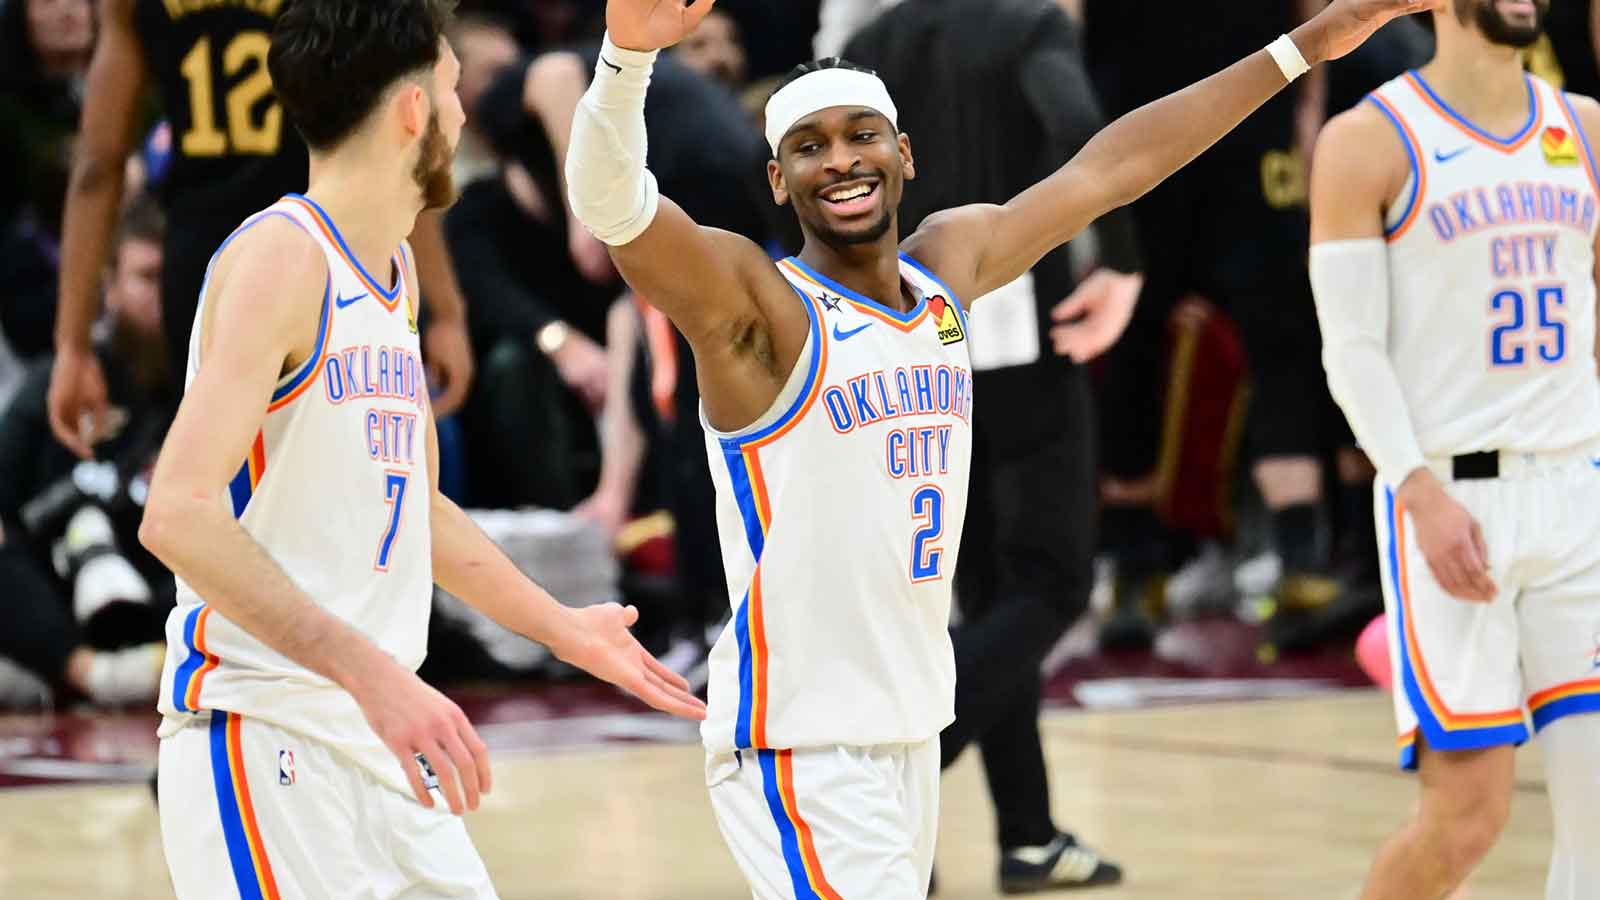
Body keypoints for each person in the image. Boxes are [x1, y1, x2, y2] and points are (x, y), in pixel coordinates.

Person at [566, 0, 1435, 895]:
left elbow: (1117, 166)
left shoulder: (949, 267)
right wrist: (625, 58)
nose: (841, 161)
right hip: (801, 745)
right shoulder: (758, 310)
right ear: (779, 181)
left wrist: (1307, 46)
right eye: (810, 146)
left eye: (861, 135)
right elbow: (613, 205)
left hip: (907, 731)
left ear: (904, 156)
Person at [137, 3, 703, 896]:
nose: (464, 113)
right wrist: (373, 675)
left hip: (382, 742)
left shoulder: (391, 273)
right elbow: (176, 514)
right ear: (412, 112)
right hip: (264, 742)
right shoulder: (284, 259)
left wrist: (565, 629)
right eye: (450, 89)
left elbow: (418, 513)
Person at [842, 0, 1137, 890]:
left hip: (897, 335)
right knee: (1053, 580)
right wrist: (1117, 257)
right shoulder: (1029, 26)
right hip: (1011, 324)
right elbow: (1082, 127)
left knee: (983, 601)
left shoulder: (868, 43)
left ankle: (1030, 831)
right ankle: (907, 766)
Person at [1308, 1, 1600, 897]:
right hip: (1450, 501)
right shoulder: (1371, 138)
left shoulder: (1584, 128)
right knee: (1468, 823)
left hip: (1576, 488)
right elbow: (1350, 350)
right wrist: (1419, 494)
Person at [47, 0, 476, 464]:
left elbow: (98, 164)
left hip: (204, 265)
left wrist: (72, 344)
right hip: (320, 247)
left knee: (223, 489)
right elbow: (398, 129)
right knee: (344, 491)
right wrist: (445, 309)